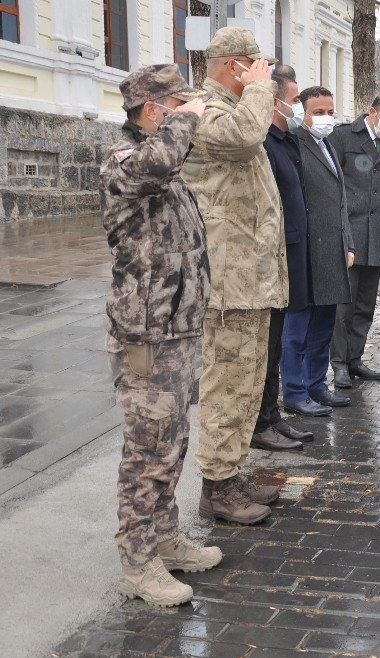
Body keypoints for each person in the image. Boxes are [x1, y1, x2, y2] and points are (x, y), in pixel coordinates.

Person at [101, 63, 218, 607]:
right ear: (154, 110)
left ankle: (165, 537)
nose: (188, 114)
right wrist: (184, 123)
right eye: (177, 105)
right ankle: (137, 561)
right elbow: (152, 166)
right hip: (146, 334)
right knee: (147, 449)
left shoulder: (165, 168)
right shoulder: (126, 161)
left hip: (177, 328)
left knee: (172, 441)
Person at [182, 27, 284, 525]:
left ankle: (232, 473)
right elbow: (246, 137)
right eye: (254, 64)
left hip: (250, 277)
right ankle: (216, 486)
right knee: (227, 381)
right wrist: (262, 88)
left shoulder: (238, 108)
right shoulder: (204, 110)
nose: (262, 73)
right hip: (225, 280)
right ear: (231, 65)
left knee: (247, 380)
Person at [281, 86, 356, 416]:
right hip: (307, 252)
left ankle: (316, 385)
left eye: (330, 112)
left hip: (332, 251)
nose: (326, 118)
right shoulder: (295, 144)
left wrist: (349, 242)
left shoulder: (327, 144)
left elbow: (340, 202)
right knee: (297, 328)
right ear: (302, 111)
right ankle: (294, 392)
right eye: (319, 112)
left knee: (324, 325)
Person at [253, 64, 314, 451]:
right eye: (294, 101)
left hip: (291, 254)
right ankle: (260, 422)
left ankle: (273, 416)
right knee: (268, 343)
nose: (299, 107)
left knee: (275, 342)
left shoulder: (287, 141)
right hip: (273, 258)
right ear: (275, 102)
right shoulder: (263, 143)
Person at [328, 92, 380, 387]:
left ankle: (356, 359)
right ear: (371, 111)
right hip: (350, 233)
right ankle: (340, 363)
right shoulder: (343, 136)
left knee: (364, 305)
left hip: (378, 235)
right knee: (344, 306)